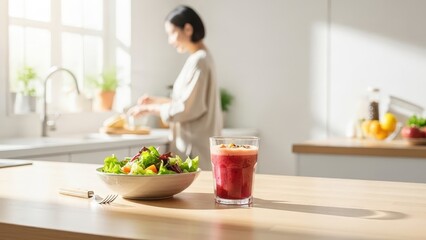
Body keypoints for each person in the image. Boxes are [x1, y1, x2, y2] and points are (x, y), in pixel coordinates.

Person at [128, 5, 222, 170]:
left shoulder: (200, 60)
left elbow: (186, 109)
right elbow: (187, 100)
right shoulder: (199, 58)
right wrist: (156, 101)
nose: (170, 41)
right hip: (194, 148)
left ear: (188, 29)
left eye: (172, 33)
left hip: (195, 150)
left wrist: (151, 108)